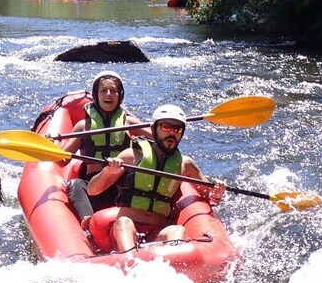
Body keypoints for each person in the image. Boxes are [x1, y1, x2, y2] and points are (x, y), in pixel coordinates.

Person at [86, 104, 225, 252]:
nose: (171, 133)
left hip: (157, 232)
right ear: (154, 129)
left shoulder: (185, 165)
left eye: (177, 129)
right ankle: (130, 261)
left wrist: (216, 191)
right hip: (126, 228)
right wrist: (108, 171)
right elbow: (92, 190)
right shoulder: (132, 156)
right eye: (166, 127)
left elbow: (209, 195)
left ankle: (170, 265)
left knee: (175, 230)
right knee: (124, 223)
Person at [61, 71, 150, 225]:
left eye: (114, 91)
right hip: (92, 187)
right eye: (103, 90)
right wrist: (51, 143)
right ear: (96, 94)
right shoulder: (84, 126)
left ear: (120, 95)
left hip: (121, 187)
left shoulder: (129, 122)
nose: (109, 95)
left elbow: (159, 137)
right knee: (75, 185)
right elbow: (62, 160)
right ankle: (88, 221)